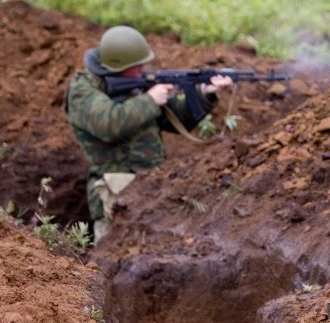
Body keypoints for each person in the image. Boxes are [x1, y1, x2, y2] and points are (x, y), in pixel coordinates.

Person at [64, 25, 233, 243]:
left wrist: (203, 93)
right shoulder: (83, 89)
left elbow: (173, 120)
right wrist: (150, 99)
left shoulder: (135, 83)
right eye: (136, 66)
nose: (142, 70)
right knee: (110, 260)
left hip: (151, 191)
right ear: (117, 67)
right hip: (114, 191)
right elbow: (108, 124)